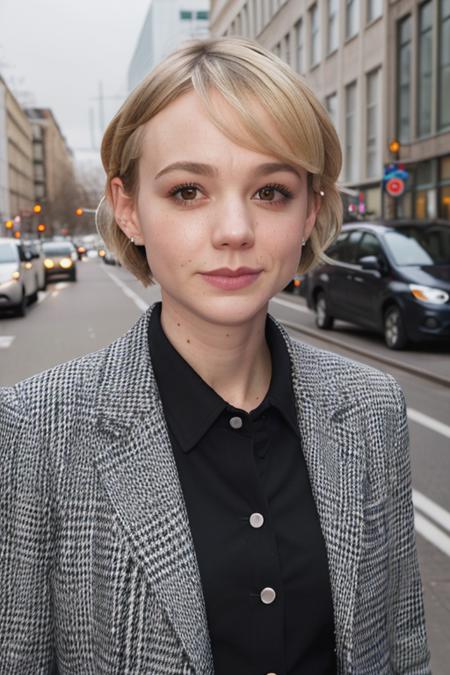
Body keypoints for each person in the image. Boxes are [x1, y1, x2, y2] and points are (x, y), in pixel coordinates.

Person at [0, 36, 430, 675]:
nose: (234, 230)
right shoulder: (37, 428)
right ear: (129, 209)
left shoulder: (371, 408)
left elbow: (401, 648)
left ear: (311, 211)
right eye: (187, 192)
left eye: (271, 192)